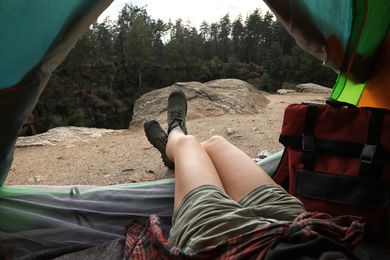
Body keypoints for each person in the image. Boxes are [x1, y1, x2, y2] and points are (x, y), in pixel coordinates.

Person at [135, 89, 365, 259]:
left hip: (232, 248)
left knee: (189, 144)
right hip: (298, 230)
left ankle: (175, 136)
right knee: (215, 143)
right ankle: (175, 148)